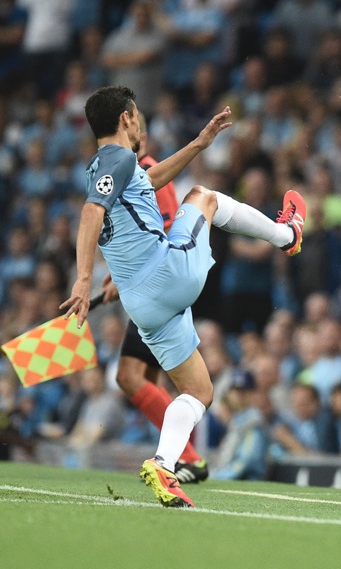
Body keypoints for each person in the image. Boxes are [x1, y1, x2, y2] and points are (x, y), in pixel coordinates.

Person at [61, 86, 306, 508]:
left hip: (143, 305)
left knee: (199, 392)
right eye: (136, 115)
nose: (139, 122)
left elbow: (148, 181)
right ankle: (288, 235)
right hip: (168, 274)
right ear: (126, 118)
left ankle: (164, 464)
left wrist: (197, 143)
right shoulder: (118, 157)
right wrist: (83, 279)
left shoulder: (102, 167)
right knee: (204, 197)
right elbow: (90, 213)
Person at [99, 111, 209, 485]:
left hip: (156, 285)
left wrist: (119, 278)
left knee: (131, 376)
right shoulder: (128, 171)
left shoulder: (145, 170)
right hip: (151, 286)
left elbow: (161, 226)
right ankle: (184, 457)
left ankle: (187, 458)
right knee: (142, 377)